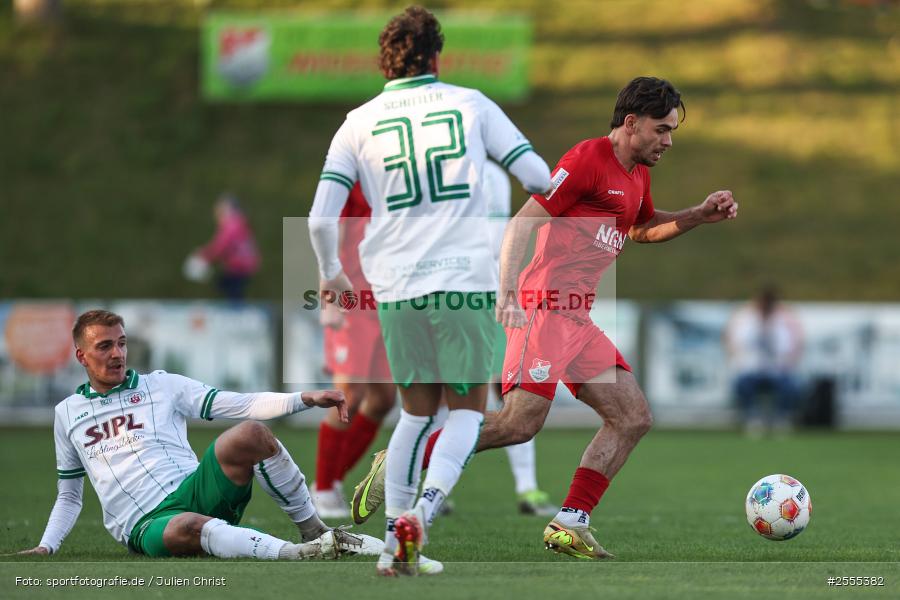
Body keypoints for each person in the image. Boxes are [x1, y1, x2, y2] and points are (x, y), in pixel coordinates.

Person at [351, 76, 739, 560]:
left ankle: (570, 521)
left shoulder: (637, 173)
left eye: (672, 131)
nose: (669, 141)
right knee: (519, 424)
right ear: (631, 123)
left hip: (576, 319)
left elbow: (640, 229)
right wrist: (508, 290)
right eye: (662, 129)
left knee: (632, 417)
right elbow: (523, 222)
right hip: (545, 309)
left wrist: (698, 214)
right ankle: (403, 457)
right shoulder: (586, 159)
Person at [308, 6, 551, 575]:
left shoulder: (357, 121)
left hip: (395, 288)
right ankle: (422, 513)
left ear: (384, 62)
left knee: (414, 415)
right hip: (463, 282)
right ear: (437, 56)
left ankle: (394, 544)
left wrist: (332, 272)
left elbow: (320, 219)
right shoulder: (471, 103)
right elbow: (538, 176)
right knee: (466, 411)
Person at [18, 309, 382, 560]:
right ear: (82, 356)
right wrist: (47, 546)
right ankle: (295, 554)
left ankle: (315, 532)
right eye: (105, 346)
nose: (117, 353)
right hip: (147, 523)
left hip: (197, 489)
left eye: (122, 343)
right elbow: (70, 495)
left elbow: (240, 404)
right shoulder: (67, 413)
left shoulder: (162, 385)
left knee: (252, 433)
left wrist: (304, 399)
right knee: (188, 525)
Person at [314, 183, 397, 518]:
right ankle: (322, 489)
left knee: (384, 399)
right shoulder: (351, 178)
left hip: (387, 299)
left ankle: (332, 481)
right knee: (349, 393)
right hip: (351, 298)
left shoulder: (395, 175)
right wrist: (328, 298)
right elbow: (326, 235)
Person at [724, 285, 804, 436]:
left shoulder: (781, 321)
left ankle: (782, 418)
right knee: (742, 383)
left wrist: (770, 330)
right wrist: (759, 327)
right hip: (752, 369)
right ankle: (752, 418)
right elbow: (742, 344)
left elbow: (784, 348)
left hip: (775, 370)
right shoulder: (747, 319)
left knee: (790, 385)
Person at [192, 194, 260, 302]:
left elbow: (222, 245)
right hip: (243, 264)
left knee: (230, 289)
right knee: (230, 288)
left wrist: (205, 254)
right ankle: (237, 308)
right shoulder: (237, 222)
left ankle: (237, 310)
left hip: (239, 265)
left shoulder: (232, 224)